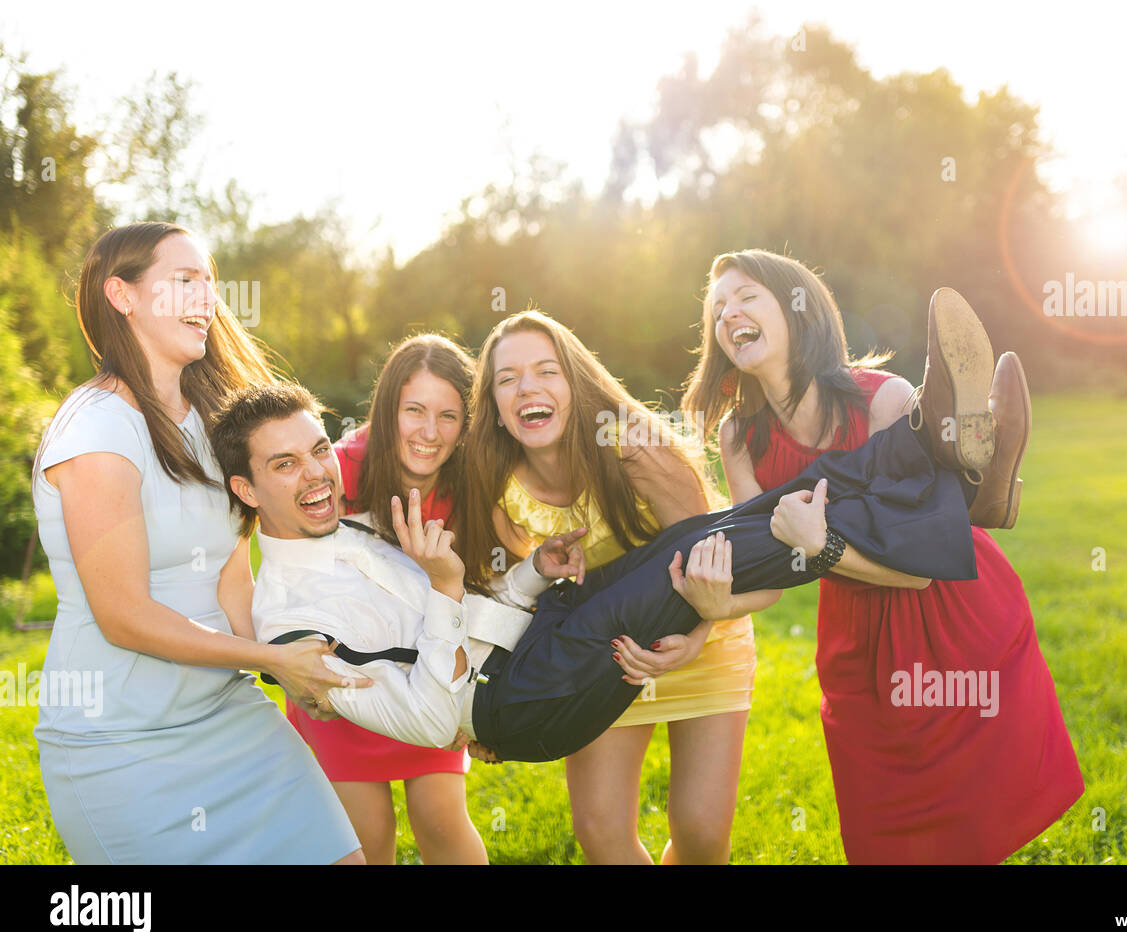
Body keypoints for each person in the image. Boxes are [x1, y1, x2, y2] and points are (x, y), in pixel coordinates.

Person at [209, 303, 990, 767]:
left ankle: (928, 442)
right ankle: (939, 467)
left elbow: (468, 620)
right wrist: (447, 590)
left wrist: (531, 576)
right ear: (245, 489)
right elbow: (424, 719)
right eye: (285, 465)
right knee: (711, 551)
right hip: (514, 707)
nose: (317, 475)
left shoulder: (346, 522)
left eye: (318, 451)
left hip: (529, 644)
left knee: (720, 529)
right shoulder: (290, 621)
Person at [681, 249, 1084, 864]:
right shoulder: (739, 435)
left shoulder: (876, 398)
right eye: (717, 310)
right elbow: (764, 569)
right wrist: (720, 602)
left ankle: (957, 446)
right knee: (883, 827)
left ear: (798, 308)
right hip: (858, 636)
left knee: (969, 820)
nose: (727, 314)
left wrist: (820, 546)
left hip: (950, 604)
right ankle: (974, 465)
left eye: (745, 297)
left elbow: (919, 567)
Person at [31, 222, 364, 864]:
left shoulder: (212, 418)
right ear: (122, 296)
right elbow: (123, 615)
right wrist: (268, 661)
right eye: (184, 281)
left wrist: (284, 663)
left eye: (208, 283)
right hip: (121, 746)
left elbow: (230, 574)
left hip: (229, 719)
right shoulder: (96, 429)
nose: (206, 298)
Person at [455, 311, 767, 865]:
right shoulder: (496, 482)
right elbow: (514, 602)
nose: (528, 387)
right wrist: (490, 713)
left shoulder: (635, 449)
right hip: (608, 655)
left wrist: (695, 638)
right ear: (497, 410)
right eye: (507, 379)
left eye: (546, 371)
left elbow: (713, 550)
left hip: (702, 635)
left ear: (575, 383)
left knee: (699, 833)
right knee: (601, 834)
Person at [287, 334, 486, 865]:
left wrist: (468, 705)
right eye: (414, 410)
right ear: (387, 408)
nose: (429, 432)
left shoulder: (471, 483)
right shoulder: (337, 472)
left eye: (448, 415)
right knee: (366, 837)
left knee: (443, 821)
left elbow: (482, 599)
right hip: (344, 680)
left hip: (427, 668)